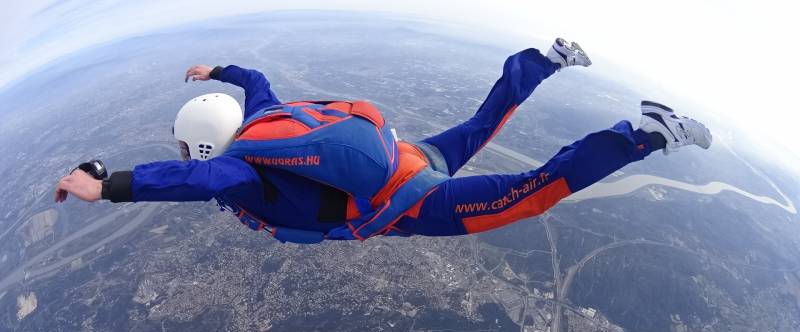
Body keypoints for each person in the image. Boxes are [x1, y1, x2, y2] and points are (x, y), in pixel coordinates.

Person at [54, 38, 711, 243]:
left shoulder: (237, 171)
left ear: (204, 143)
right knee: (481, 126)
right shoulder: (263, 117)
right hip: (410, 155)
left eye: (185, 145)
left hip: (411, 200)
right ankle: (542, 59)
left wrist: (106, 187)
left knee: (529, 194)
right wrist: (216, 71)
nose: (185, 155)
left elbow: (194, 180)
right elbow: (254, 79)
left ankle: (643, 137)